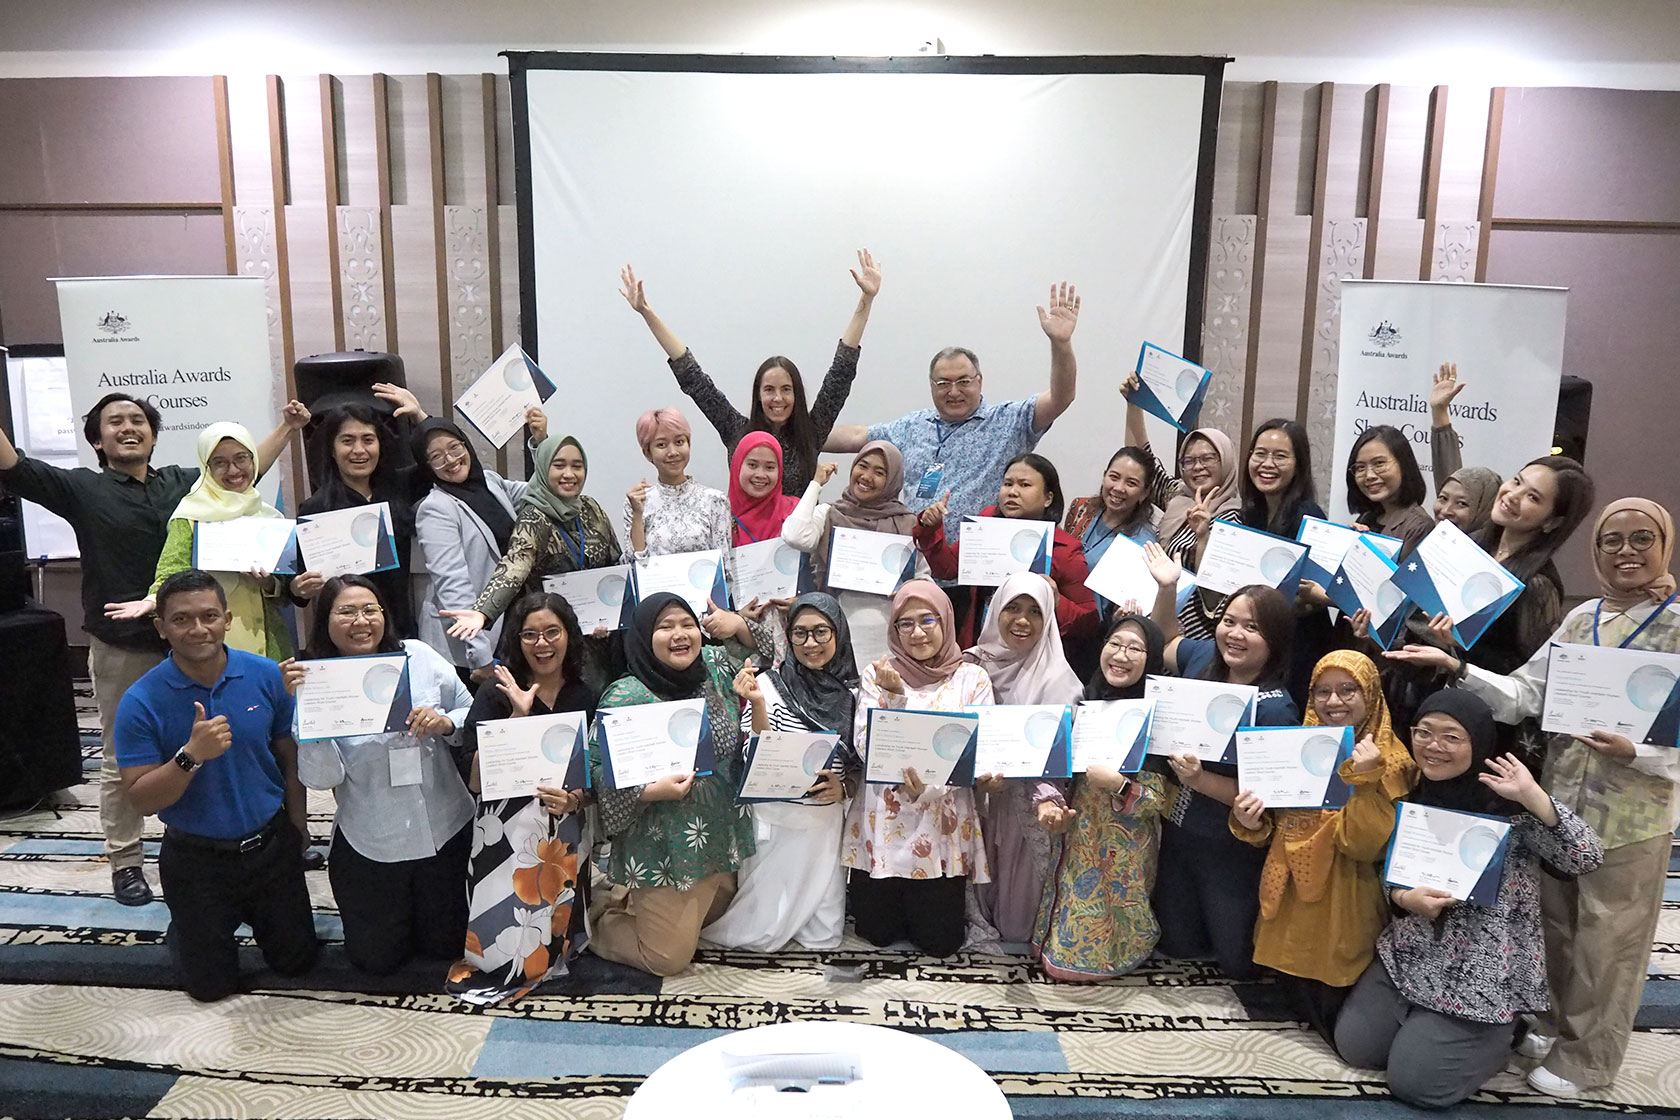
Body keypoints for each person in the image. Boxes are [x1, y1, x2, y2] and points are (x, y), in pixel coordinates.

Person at [1385, 498, 1679, 1098]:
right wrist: (1455, 666)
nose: (1625, 551)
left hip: (1633, 813)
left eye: (1640, 539)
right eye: (1611, 540)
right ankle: (1548, 1024)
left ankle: (1588, 1060)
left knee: (1611, 940)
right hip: (1561, 799)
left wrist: (1639, 753)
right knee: (1557, 926)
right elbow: (1524, 694)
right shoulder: (1582, 620)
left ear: (1665, 545)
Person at [0, 392, 302, 906]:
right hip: (126, 644)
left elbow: (240, 468)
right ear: (97, 439)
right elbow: (15, 466)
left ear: (154, 434)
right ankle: (126, 861)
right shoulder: (80, 487)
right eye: (114, 422)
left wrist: (287, 428)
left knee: (235, 740)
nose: (128, 427)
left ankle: (253, 837)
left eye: (138, 419)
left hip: (203, 644)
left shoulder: (183, 483)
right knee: (124, 756)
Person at [1333, 690, 1603, 1109]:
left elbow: (1585, 856)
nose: (1434, 746)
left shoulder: (1507, 802)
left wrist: (1535, 798)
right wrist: (1404, 897)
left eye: (1452, 737)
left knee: (1419, 1086)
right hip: (1412, 954)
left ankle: (1502, 1034)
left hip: (1483, 970)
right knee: (1357, 1048)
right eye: (1424, 732)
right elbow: (1390, 870)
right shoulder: (1410, 789)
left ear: (1478, 742)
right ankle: (1424, 1025)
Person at [112, 569, 317, 1001]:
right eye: (182, 620)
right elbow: (142, 800)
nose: (198, 629)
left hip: (270, 847)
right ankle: (186, 928)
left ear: (226, 618)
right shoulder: (140, 701)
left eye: (209, 616)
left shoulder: (264, 675)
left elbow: (289, 758)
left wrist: (298, 827)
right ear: (161, 628)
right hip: (195, 859)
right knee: (209, 989)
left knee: (297, 963)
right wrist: (190, 757)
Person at [280, 575, 474, 975]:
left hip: (445, 826)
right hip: (373, 839)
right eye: (346, 612)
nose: (361, 621)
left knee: (446, 948)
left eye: (370, 610)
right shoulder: (317, 682)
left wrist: (445, 723)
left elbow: (470, 709)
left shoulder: (418, 656)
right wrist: (311, 715)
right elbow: (320, 779)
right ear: (326, 620)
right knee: (376, 961)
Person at [1228, 650, 1414, 1044]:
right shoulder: (1297, 745)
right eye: (1322, 692)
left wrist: (1365, 781)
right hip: (1288, 893)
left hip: (1345, 900)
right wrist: (1251, 822)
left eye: (1348, 690)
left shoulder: (1394, 760)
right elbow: (1273, 825)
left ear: (1371, 694)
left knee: (1334, 1008)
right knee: (1291, 997)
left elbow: (1363, 846)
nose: (1333, 703)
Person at [588, 592, 773, 976]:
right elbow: (598, 771)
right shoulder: (626, 696)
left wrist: (737, 623)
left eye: (687, 624)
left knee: (722, 919)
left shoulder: (714, 666)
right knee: (666, 958)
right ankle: (596, 916)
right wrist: (650, 792)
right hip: (664, 848)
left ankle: (632, 899)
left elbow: (768, 653)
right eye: (665, 626)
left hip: (719, 834)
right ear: (641, 636)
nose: (679, 634)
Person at [826, 283, 1081, 536]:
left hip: (978, 563)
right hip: (915, 559)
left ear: (979, 381)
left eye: (963, 381)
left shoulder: (1007, 421)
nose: (954, 392)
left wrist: (1061, 343)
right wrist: (796, 432)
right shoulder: (913, 426)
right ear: (931, 386)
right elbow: (857, 437)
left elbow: (1061, 397)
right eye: (944, 383)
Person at [1148, 557, 1300, 980]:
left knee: (1238, 964)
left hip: (1230, 845)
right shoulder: (1202, 661)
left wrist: (1200, 780)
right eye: (1229, 621)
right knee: (1176, 944)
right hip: (1177, 832)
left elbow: (1265, 798)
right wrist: (1167, 588)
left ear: (1275, 640)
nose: (1235, 634)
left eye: (1252, 628)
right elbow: (1164, 641)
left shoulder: (1276, 709)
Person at [619, 251, 882, 495]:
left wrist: (866, 299)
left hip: (799, 541)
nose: (777, 398)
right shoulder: (736, 430)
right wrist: (646, 312)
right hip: (744, 542)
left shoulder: (811, 432)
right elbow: (691, 376)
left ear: (796, 394)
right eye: (769, 390)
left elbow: (841, 372)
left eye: (786, 390)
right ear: (758, 395)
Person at [449, 591, 595, 1004]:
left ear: (569, 636)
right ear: (516, 639)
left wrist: (574, 802)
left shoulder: (583, 695)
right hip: (506, 828)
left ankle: (553, 956)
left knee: (558, 914)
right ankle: (504, 964)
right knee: (507, 917)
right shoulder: (496, 692)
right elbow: (475, 780)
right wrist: (517, 718)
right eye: (530, 635)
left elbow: (592, 776)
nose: (542, 644)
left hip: (563, 823)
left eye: (553, 632)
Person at [844, 581, 994, 956]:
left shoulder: (972, 678)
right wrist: (894, 697)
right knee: (876, 934)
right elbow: (866, 743)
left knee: (940, 943)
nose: (917, 632)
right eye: (904, 624)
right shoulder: (878, 674)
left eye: (927, 620)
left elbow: (975, 747)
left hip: (940, 820)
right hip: (887, 822)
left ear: (945, 620)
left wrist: (928, 788)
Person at [704, 593, 858, 951]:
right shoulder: (770, 683)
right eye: (800, 633)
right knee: (760, 934)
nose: (810, 643)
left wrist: (844, 787)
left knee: (824, 937)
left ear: (839, 634)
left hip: (823, 822)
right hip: (776, 815)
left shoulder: (855, 692)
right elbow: (754, 751)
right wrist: (757, 703)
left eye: (821, 632)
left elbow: (863, 760)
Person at [1032, 613, 1169, 980]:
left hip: (1123, 849)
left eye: (1135, 648)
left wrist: (1120, 784)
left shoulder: (1156, 719)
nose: (1121, 655)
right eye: (1115, 644)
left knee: (1108, 924)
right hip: (1079, 837)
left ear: (1152, 658)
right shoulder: (1087, 699)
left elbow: (1161, 798)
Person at [445, 434, 624, 693]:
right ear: (542, 469)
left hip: (598, 635)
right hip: (551, 641)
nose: (569, 474)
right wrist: (483, 613)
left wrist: (613, 614)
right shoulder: (534, 517)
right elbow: (515, 565)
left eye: (577, 465)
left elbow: (614, 563)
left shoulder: (590, 508)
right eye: (559, 465)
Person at [962, 572, 1084, 948]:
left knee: (1017, 927)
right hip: (976, 796)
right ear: (995, 609)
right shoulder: (971, 666)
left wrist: (1047, 800)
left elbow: (1055, 755)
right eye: (1012, 608)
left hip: (1027, 801)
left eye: (1034, 611)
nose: (1022, 620)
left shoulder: (1059, 679)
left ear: (1048, 619)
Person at [912, 452, 1098, 648]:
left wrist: (1056, 601)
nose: (1012, 492)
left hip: (1032, 653)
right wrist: (930, 528)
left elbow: (1089, 622)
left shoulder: (1064, 549)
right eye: (1008, 484)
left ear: (1048, 498)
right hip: (979, 644)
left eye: (1024, 485)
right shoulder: (987, 523)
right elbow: (947, 569)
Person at [143, 422, 293, 660]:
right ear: (206, 467)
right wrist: (152, 600)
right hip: (209, 642)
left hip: (267, 639)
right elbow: (170, 573)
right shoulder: (191, 515)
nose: (233, 470)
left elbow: (287, 589)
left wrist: (268, 584)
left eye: (241, 458)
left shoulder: (269, 517)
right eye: (220, 463)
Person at [780, 440, 927, 668]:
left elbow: (925, 580)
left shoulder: (906, 522)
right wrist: (816, 483)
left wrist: (907, 590)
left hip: (891, 639)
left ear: (892, 480)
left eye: (880, 472)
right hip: (835, 636)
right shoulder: (830, 514)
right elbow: (794, 535)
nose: (867, 476)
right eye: (863, 466)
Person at [297, 399, 427, 639]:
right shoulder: (315, 508)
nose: (359, 450)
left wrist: (419, 415)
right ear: (332, 450)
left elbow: (442, 460)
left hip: (400, 628)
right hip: (344, 635)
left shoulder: (400, 487)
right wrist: (299, 588)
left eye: (368, 440)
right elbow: (296, 588)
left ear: (380, 445)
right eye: (347, 441)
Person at [411, 418, 529, 680]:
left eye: (455, 448)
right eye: (437, 457)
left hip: (509, 620)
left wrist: (539, 442)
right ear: (427, 466)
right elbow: (453, 586)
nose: (451, 460)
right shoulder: (435, 509)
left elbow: (540, 490)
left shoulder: (490, 481)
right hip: (469, 646)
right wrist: (480, 656)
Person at [1062, 446, 1160, 618]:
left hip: (1092, 629)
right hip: (1056, 612)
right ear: (1104, 476)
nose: (1118, 488)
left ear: (1145, 493)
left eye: (1131, 483)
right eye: (1114, 477)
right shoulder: (1081, 508)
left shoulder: (1142, 543)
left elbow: (1127, 604)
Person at [623, 408, 731, 558]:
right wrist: (637, 513)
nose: (673, 452)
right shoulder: (636, 503)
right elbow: (634, 567)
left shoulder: (715, 500)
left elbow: (724, 566)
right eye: (661, 445)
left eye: (679, 442)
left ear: (689, 444)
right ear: (647, 453)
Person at [1427, 361, 1503, 533]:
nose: (1445, 511)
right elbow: (1446, 470)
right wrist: (1439, 412)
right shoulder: (1438, 542)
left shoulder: (1482, 556)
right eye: (1443, 498)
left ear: (1484, 509)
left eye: (1462, 504)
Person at [1345, 425, 1433, 557]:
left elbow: (1401, 577)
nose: (1369, 475)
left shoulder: (1419, 526)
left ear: (1404, 464)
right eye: (1360, 467)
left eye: (1379, 463)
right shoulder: (1367, 517)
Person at [728, 431, 801, 548]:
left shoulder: (795, 511)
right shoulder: (718, 514)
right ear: (737, 465)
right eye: (752, 465)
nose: (760, 475)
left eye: (770, 467)